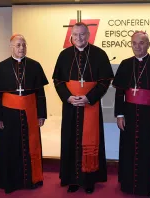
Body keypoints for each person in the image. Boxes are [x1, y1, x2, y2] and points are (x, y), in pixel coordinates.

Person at [52, 22, 114, 194]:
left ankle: (89, 180)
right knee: (70, 140)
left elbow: (104, 81)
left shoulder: (99, 54)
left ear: (88, 35)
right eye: (76, 35)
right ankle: (72, 179)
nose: (79, 38)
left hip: (90, 106)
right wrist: (68, 97)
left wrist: (89, 98)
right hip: (71, 106)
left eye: (82, 34)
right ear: (71, 36)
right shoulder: (64, 55)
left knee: (91, 141)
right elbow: (57, 80)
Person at [113, 31, 150, 197]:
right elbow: (119, 92)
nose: (137, 46)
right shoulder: (125, 64)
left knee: (149, 148)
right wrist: (119, 114)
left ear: (148, 45)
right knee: (129, 148)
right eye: (134, 43)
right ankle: (128, 182)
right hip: (129, 114)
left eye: (141, 43)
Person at [0, 34, 48, 194]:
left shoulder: (35, 66)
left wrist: (41, 114)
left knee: (31, 146)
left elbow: (40, 93)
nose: (21, 48)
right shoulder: (1, 67)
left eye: (24, 44)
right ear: (11, 47)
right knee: (9, 146)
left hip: (30, 112)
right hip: (8, 113)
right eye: (18, 45)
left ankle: (32, 179)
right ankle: (9, 181)